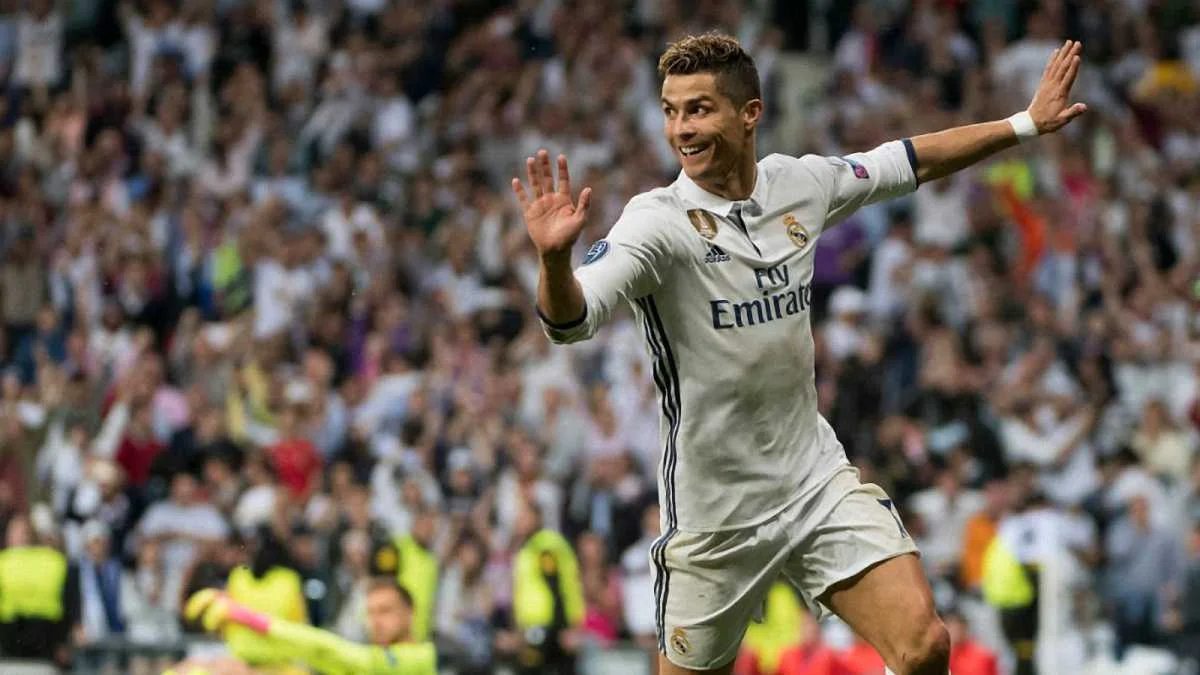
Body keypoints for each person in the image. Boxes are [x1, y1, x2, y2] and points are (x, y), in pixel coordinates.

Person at [513, 30, 1088, 675]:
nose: (681, 129)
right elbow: (571, 321)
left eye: (698, 109)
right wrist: (554, 262)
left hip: (812, 481)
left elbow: (908, 161)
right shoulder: (657, 222)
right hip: (714, 515)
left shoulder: (799, 184)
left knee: (924, 645)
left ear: (750, 113)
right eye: (671, 111)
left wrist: (1024, 124)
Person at [179, 576, 436, 675]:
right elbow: (314, 655)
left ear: (410, 613)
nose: (376, 621)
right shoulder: (365, 661)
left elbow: (328, 649)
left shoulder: (420, 659)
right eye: (370, 612)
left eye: (386, 611)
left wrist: (249, 618)